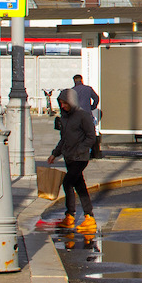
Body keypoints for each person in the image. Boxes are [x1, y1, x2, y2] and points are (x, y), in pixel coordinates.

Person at [48, 89, 98, 234]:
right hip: (69, 157)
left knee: (67, 182)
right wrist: (54, 154)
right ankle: (86, 216)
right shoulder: (65, 117)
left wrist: (80, 149)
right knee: (80, 186)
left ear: (72, 102)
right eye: (61, 103)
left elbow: (91, 137)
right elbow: (63, 139)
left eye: (65, 103)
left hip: (80, 158)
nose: (63, 106)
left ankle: (72, 214)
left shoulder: (83, 115)